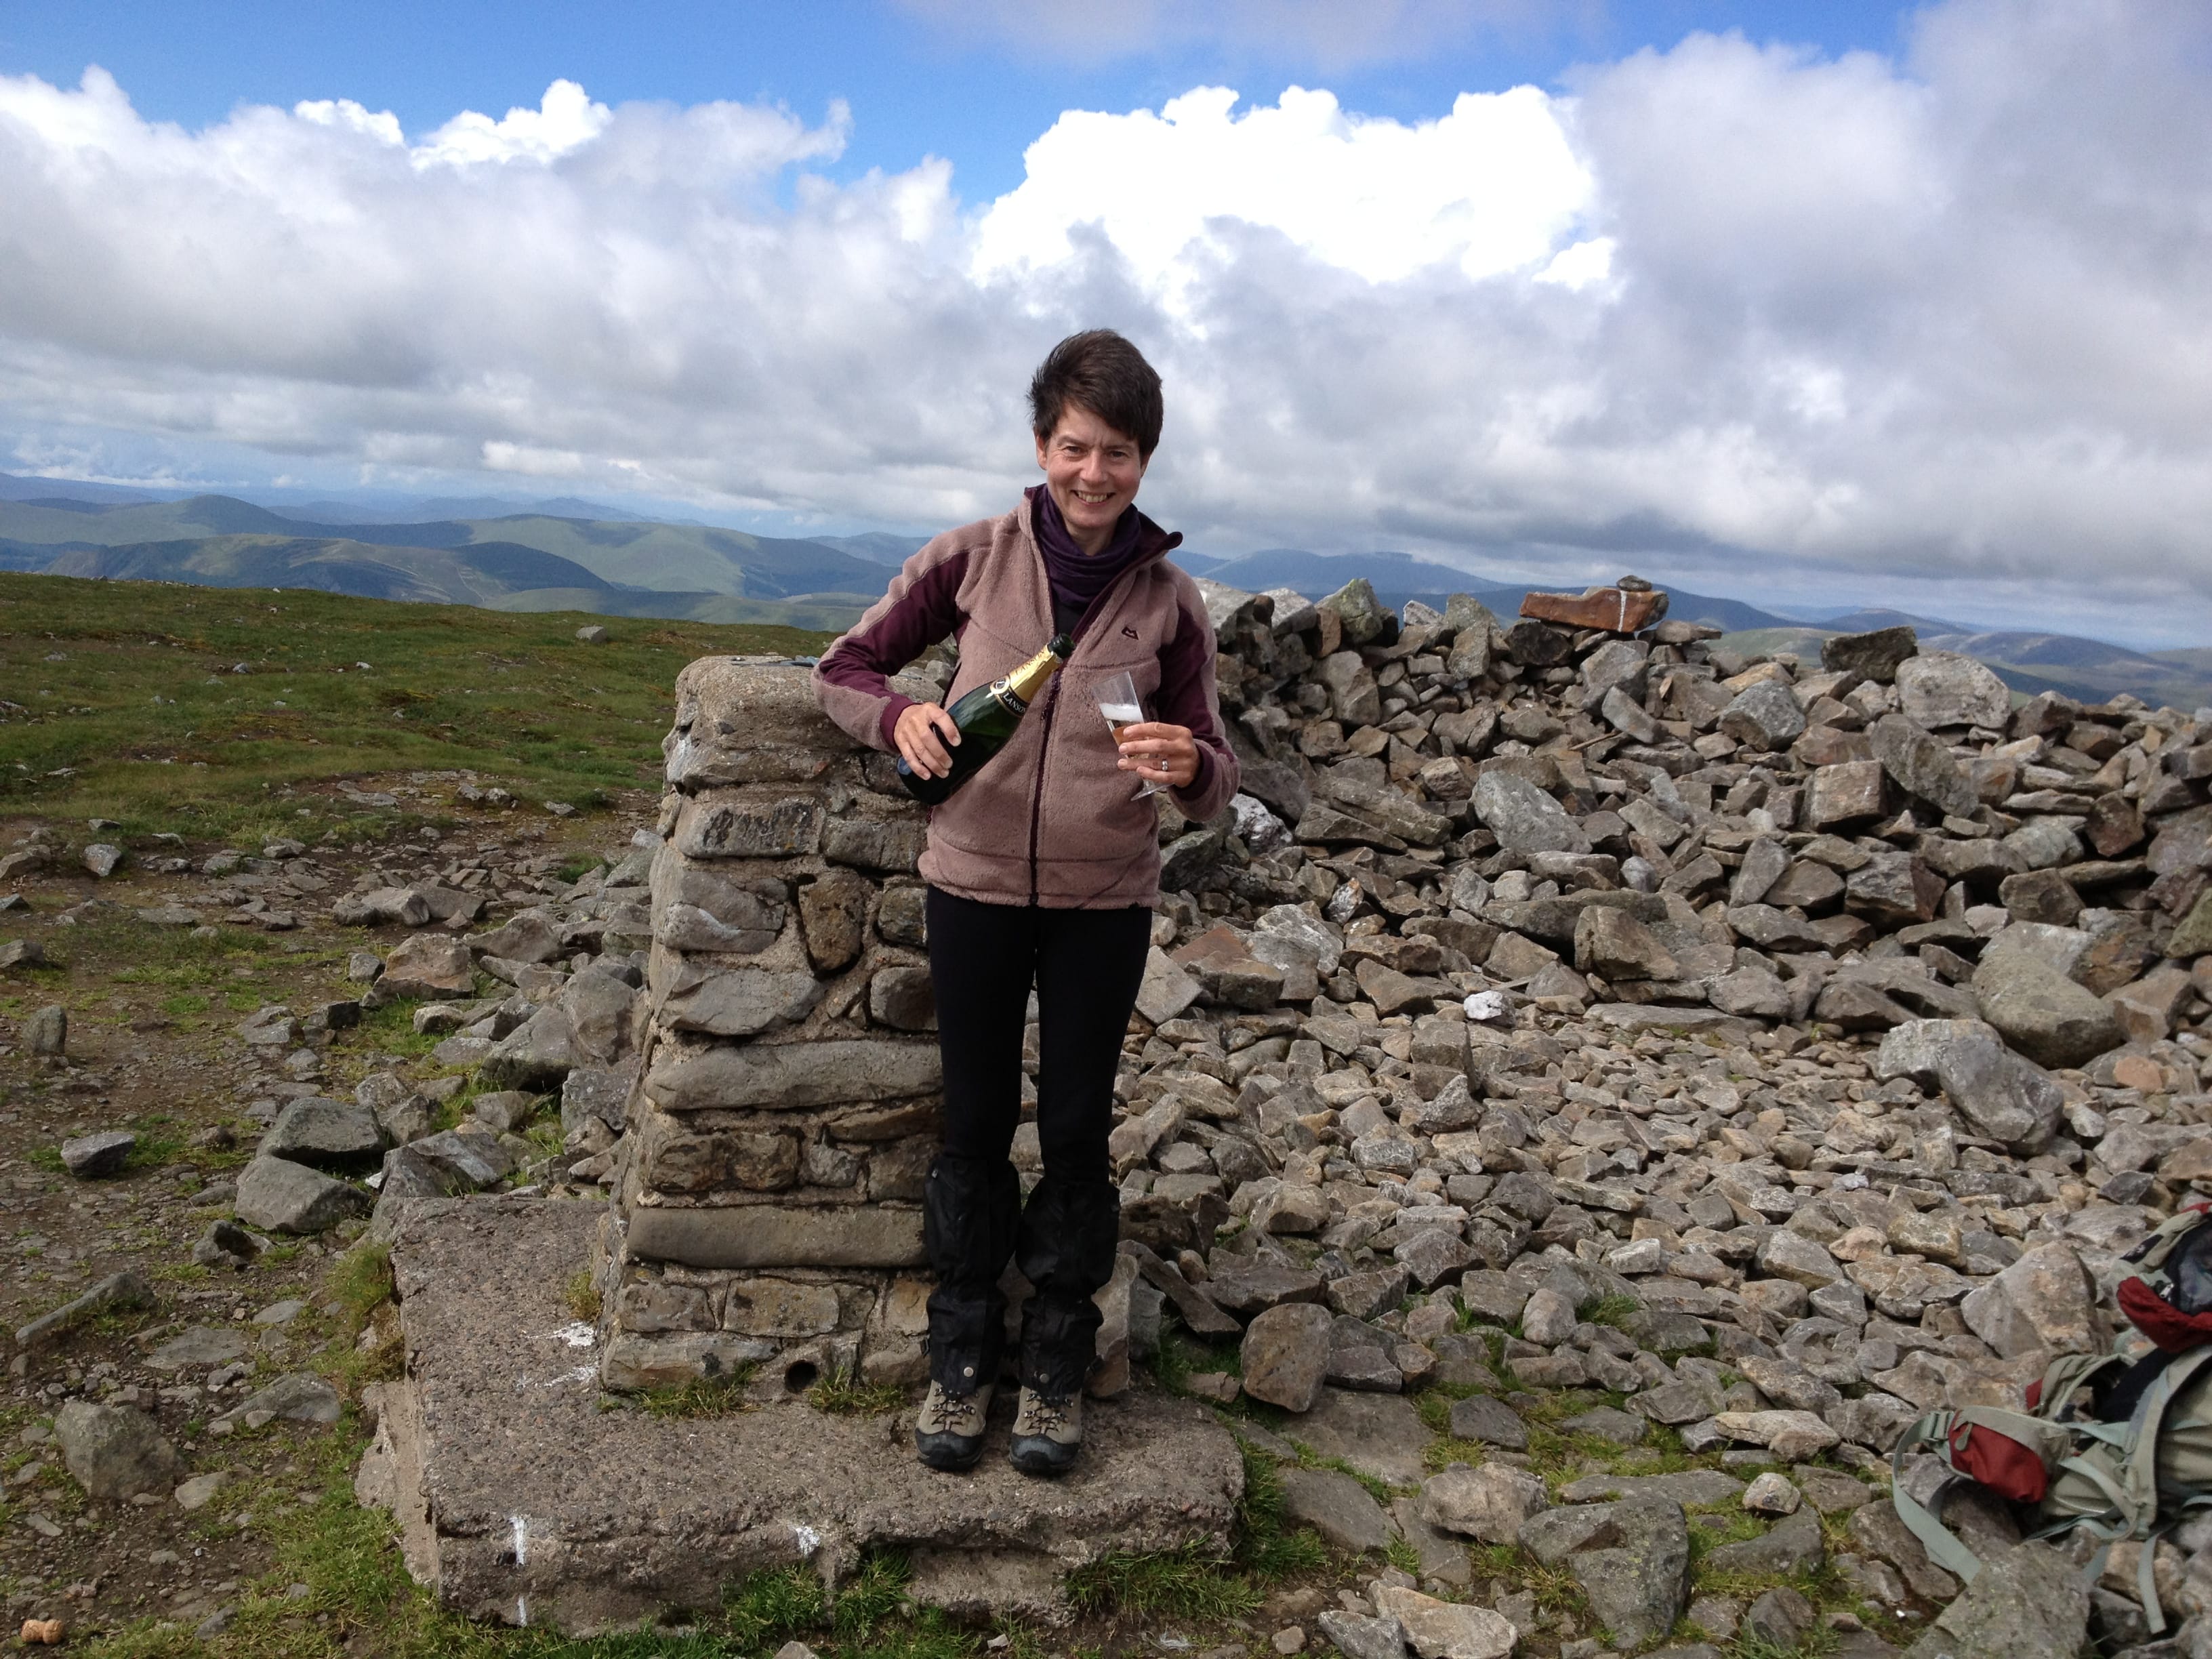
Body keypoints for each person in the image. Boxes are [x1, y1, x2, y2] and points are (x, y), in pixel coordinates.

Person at [814, 329, 1238, 1477]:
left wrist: (1192, 770)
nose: (1093, 474)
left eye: (1118, 454)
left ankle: (1055, 1369)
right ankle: (961, 1363)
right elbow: (845, 667)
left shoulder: (1170, 601)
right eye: (1073, 447)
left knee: (1076, 1131)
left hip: (1108, 898)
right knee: (972, 1120)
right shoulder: (970, 558)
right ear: (1040, 443)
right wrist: (897, 718)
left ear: (1146, 461)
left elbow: (1216, 766)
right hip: (975, 884)